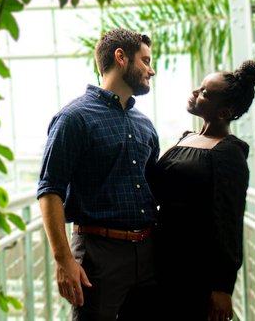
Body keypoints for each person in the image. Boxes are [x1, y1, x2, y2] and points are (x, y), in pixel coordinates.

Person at [37, 28, 161, 320]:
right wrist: (63, 259)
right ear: (121, 57)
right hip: (98, 256)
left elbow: (155, 186)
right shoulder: (74, 118)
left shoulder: (145, 125)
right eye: (145, 61)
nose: (151, 70)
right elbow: (49, 189)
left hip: (148, 252)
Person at [149, 59, 255, 321]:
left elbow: (229, 220)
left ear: (223, 112)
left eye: (204, 93)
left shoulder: (229, 154)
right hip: (163, 262)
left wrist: (223, 287)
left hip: (195, 271)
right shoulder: (187, 137)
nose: (194, 92)